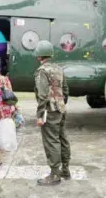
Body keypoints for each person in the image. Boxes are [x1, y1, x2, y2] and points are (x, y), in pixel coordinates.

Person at [33, 40, 71, 186]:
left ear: (39, 56)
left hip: (49, 110)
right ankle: (65, 170)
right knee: (62, 138)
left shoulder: (42, 71)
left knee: (51, 141)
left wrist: (40, 114)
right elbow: (66, 90)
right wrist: (61, 103)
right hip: (61, 108)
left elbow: (42, 95)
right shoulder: (59, 69)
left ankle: (55, 174)